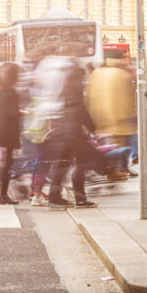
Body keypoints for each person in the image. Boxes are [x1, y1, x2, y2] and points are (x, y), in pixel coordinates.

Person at [47, 66, 98, 211]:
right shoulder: (76, 92)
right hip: (73, 134)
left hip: (62, 133)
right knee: (79, 165)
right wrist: (93, 128)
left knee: (61, 166)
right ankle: (80, 200)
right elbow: (81, 112)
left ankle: (54, 198)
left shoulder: (63, 91)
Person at [0, 63, 21, 205]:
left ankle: (3, 194)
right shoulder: (12, 93)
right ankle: (3, 195)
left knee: (5, 164)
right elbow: (11, 113)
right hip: (8, 132)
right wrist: (22, 113)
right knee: (7, 165)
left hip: (0, 131)